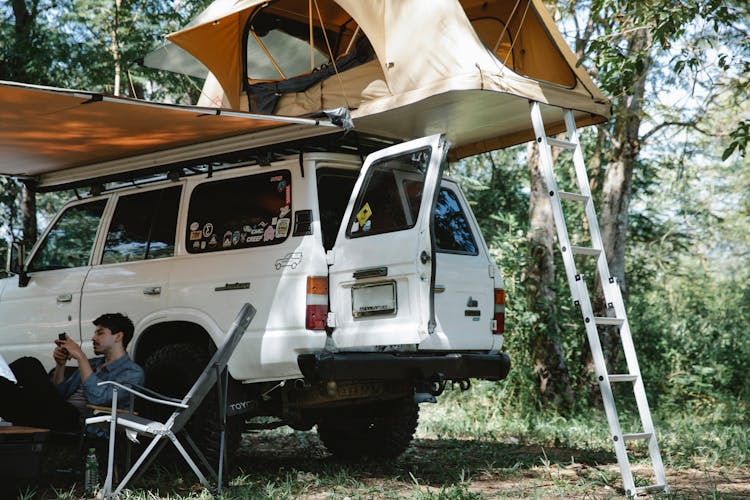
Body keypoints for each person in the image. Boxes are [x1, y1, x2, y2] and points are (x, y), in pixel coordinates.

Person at [0, 313, 144, 433]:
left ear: (118, 337)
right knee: (7, 387)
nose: (94, 338)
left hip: (79, 423)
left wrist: (80, 356)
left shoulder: (132, 373)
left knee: (29, 364)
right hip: (56, 414)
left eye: (100, 333)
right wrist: (60, 366)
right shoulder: (93, 363)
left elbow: (98, 399)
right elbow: (58, 394)